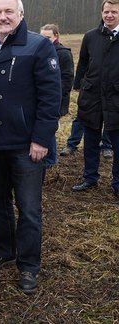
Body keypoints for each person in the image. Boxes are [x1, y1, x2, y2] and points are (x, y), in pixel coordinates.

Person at [0, 0, 61, 293]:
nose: (3, 16)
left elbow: (51, 98)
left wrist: (41, 138)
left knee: (29, 208)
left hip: (25, 144)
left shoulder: (37, 46)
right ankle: (4, 249)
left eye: (9, 11)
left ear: (21, 15)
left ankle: (29, 265)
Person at [70, 0, 119, 196]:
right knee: (90, 141)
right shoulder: (90, 36)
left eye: (114, 12)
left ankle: (117, 183)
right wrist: (79, 87)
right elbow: (82, 63)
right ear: (101, 12)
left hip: (116, 99)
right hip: (92, 98)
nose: (109, 15)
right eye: (106, 11)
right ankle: (90, 178)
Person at [39, 24, 74, 168]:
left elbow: (67, 79)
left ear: (56, 36)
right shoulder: (39, 51)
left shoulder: (63, 53)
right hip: (40, 98)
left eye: (48, 37)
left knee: (50, 128)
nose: (45, 40)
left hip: (56, 99)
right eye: (42, 37)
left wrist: (55, 96)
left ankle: (50, 160)